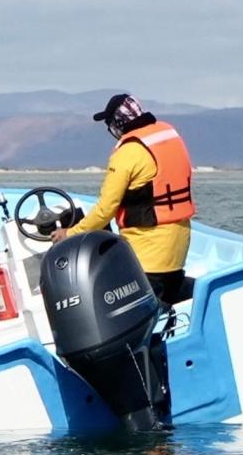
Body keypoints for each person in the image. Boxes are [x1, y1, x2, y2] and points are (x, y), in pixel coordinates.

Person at [51, 93, 196, 304]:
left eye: (110, 123)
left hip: (149, 253)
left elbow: (106, 208)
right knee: (171, 290)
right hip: (178, 244)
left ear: (118, 123)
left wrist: (70, 233)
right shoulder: (168, 134)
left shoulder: (128, 153)